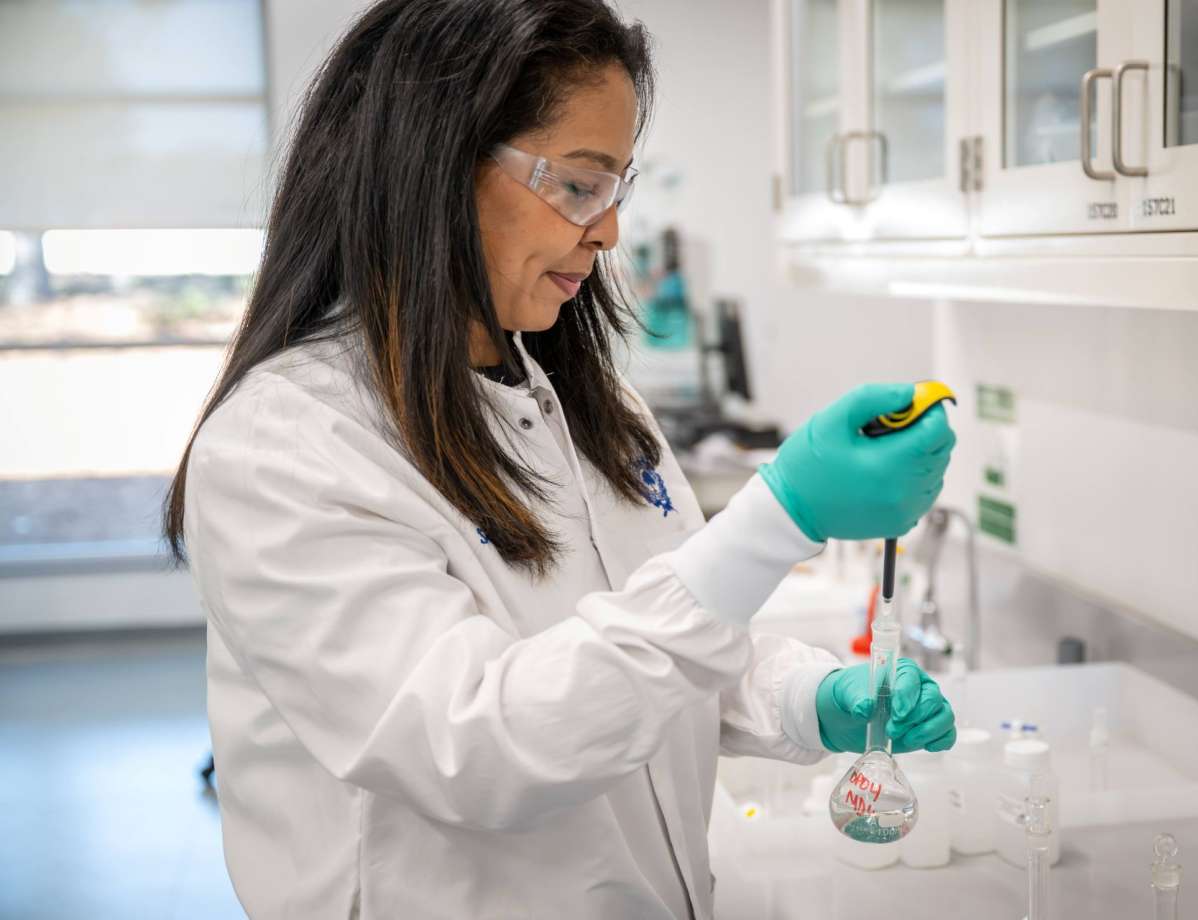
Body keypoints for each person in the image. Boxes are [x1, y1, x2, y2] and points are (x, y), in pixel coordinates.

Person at [162, 1, 957, 917]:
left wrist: (805, 697)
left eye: (616, 188)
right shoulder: (289, 448)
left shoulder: (586, 404)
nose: (609, 230)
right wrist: (777, 519)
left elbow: (654, 642)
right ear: (434, 169)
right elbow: (483, 746)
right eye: (580, 186)